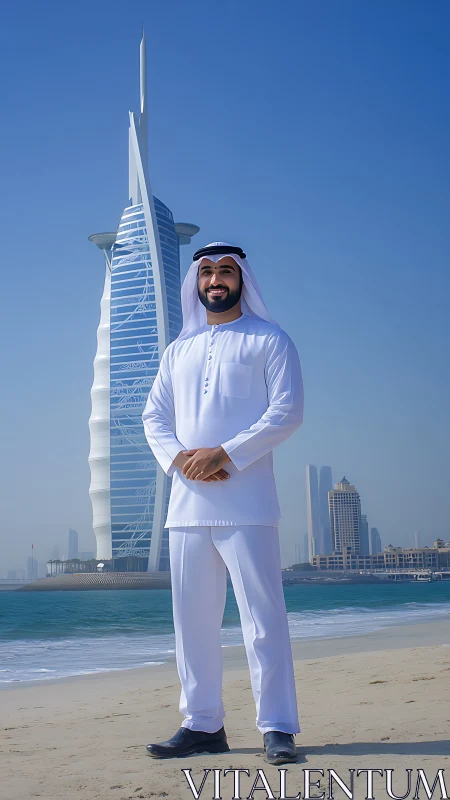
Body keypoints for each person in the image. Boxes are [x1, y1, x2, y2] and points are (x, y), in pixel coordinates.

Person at [142, 242, 304, 765]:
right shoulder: (177, 352)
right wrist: (180, 461)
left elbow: (287, 412)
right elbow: (153, 418)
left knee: (263, 620)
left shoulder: (270, 340)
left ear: (241, 280)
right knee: (192, 623)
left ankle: (277, 727)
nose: (216, 280)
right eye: (207, 272)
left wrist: (225, 455)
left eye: (226, 272)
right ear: (195, 283)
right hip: (187, 507)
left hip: (249, 505)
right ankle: (202, 724)